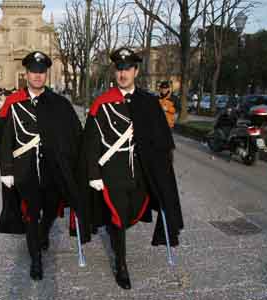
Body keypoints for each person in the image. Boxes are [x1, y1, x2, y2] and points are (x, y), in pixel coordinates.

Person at [78, 47, 184, 289]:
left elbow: (161, 139)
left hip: (141, 172)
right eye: (119, 69)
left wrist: (163, 167)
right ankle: (121, 264)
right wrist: (94, 173)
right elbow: (91, 141)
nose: (123, 73)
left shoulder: (148, 102)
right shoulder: (102, 103)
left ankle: (117, 239)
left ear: (136, 71)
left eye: (127, 69)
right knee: (117, 215)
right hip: (113, 172)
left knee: (130, 213)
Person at [0, 51, 82, 281]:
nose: (37, 76)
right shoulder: (13, 103)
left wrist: (76, 163)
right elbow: (3, 139)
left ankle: (43, 234)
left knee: (53, 209)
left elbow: (75, 134)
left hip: (53, 170)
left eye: (41, 72)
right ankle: (36, 260)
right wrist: (6, 169)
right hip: (25, 170)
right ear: (26, 74)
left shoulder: (59, 103)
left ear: (46, 74)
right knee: (31, 214)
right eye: (33, 72)